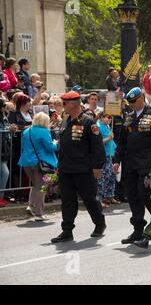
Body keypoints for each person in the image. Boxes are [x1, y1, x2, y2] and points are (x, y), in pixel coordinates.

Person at [113, 87, 151, 244]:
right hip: (130, 162)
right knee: (132, 195)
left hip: (149, 162)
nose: (131, 104)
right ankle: (138, 229)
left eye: (134, 101)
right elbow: (122, 141)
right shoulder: (129, 117)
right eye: (129, 102)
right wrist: (117, 160)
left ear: (142, 98)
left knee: (144, 193)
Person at [51, 91, 107, 243]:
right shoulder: (65, 121)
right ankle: (67, 231)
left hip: (83, 169)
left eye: (64, 103)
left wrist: (97, 167)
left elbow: (98, 148)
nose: (62, 106)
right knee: (68, 201)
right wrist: (59, 166)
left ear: (74, 104)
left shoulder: (89, 123)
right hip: (66, 169)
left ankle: (99, 223)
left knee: (90, 199)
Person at [18, 112, 58, 221]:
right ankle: (39, 214)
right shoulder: (44, 131)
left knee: (36, 185)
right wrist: (55, 143)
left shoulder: (26, 131)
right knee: (42, 187)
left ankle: (30, 206)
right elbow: (50, 148)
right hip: (42, 163)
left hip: (27, 163)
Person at [96, 112, 119, 208]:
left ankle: (110, 196)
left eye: (110, 118)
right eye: (107, 117)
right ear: (101, 117)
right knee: (104, 177)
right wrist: (108, 138)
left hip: (111, 154)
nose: (109, 119)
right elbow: (98, 142)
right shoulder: (98, 127)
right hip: (104, 155)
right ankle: (102, 197)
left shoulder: (107, 126)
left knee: (111, 176)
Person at [0, 98, 18, 207]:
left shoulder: (4, 117)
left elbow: (7, 132)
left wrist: (10, 129)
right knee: (5, 173)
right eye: (4, 106)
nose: (5, 109)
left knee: (3, 173)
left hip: (4, 149)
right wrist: (8, 129)